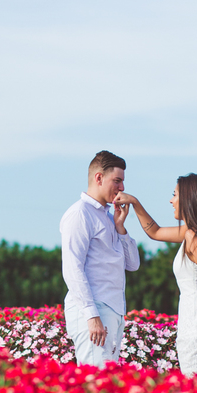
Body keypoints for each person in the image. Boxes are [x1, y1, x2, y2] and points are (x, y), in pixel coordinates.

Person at [115, 174, 197, 378]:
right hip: (195, 320)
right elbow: (155, 231)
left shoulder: (194, 236)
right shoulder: (192, 233)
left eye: (175, 194)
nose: (171, 200)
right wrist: (135, 203)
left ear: (189, 199)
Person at [59, 151, 141, 366]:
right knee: (95, 382)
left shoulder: (107, 216)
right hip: (94, 310)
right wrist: (91, 315)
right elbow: (72, 268)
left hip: (112, 310)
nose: (122, 188)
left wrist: (120, 227)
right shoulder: (79, 214)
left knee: (106, 384)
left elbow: (133, 265)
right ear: (98, 178)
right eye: (117, 181)